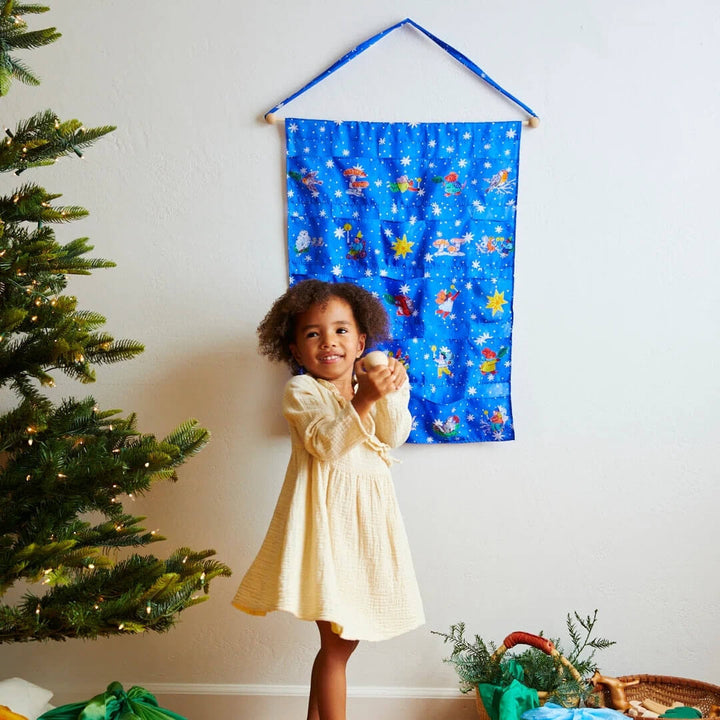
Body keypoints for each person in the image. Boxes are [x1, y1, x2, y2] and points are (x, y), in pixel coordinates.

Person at [233, 279, 424, 720]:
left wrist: (385, 387)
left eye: (341, 331)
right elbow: (327, 444)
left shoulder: (371, 386)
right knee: (337, 645)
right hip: (326, 531)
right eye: (313, 333)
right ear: (296, 351)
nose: (328, 342)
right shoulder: (302, 393)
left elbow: (393, 435)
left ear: (361, 342)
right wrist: (366, 399)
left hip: (365, 531)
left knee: (341, 643)